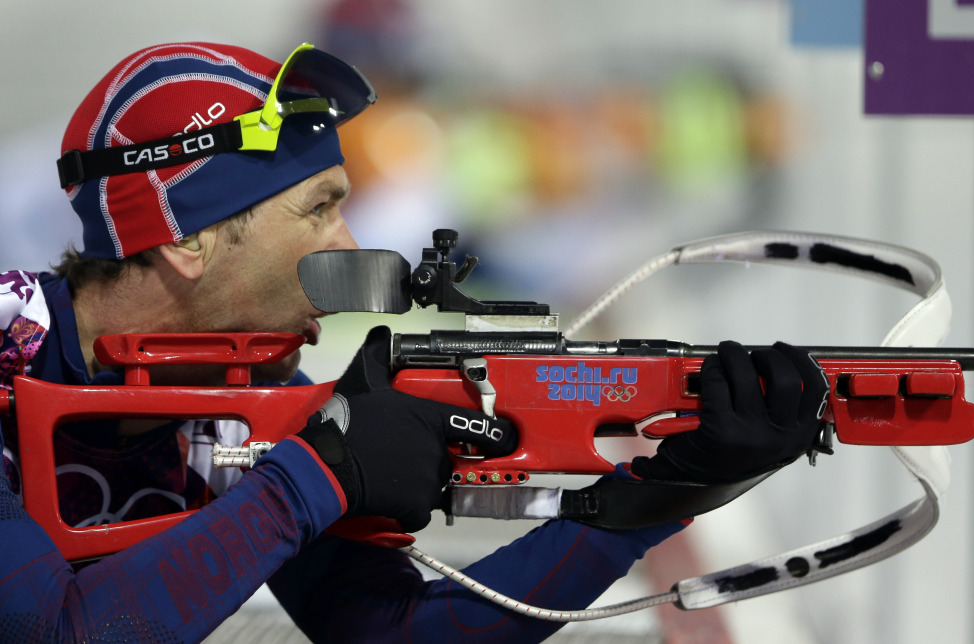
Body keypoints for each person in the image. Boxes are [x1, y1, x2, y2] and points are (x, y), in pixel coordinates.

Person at [0, 42, 829, 643]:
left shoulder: (232, 404)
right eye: (318, 208)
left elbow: (397, 636)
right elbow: (59, 632)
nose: (350, 237)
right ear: (190, 239)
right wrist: (308, 484)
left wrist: (668, 487)